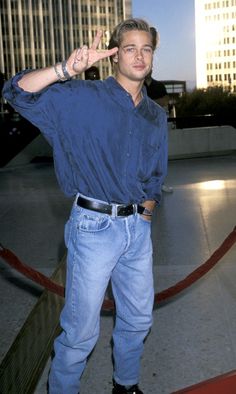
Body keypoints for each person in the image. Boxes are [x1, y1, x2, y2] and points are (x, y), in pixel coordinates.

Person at [3, 18, 168, 394]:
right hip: (93, 227)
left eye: (146, 49)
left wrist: (145, 213)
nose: (139, 55)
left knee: (139, 318)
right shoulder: (80, 97)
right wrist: (65, 70)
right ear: (114, 56)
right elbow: (16, 93)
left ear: (153, 57)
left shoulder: (155, 116)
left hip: (136, 231)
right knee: (80, 332)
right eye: (130, 48)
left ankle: (125, 385)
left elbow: (156, 173)